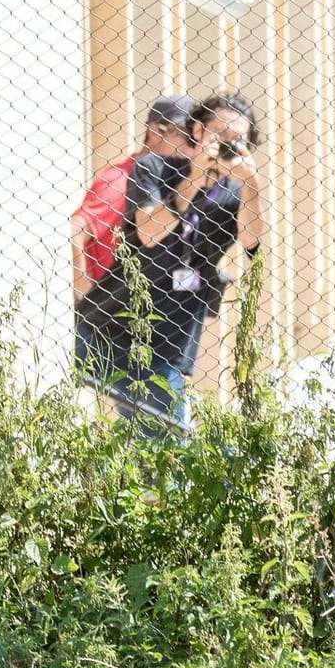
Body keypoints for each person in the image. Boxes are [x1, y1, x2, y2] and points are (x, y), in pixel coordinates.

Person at [76, 92, 267, 430]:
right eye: (219, 135)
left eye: (237, 139)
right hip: (111, 324)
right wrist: (195, 176)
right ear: (196, 132)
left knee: (156, 440)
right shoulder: (153, 168)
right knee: (166, 439)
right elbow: (149, 233)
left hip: (170, 337)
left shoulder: (236, 193)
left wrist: (250, 183)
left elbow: (252, 242)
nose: (226, 145)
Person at [70, 94, 197, 302]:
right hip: (116, 314)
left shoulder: (180, 183)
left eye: (197, 140)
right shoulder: (121, 180)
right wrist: (88, 300)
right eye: (186, 137)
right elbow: (75, 230)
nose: (192, 148)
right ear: (156, 131)